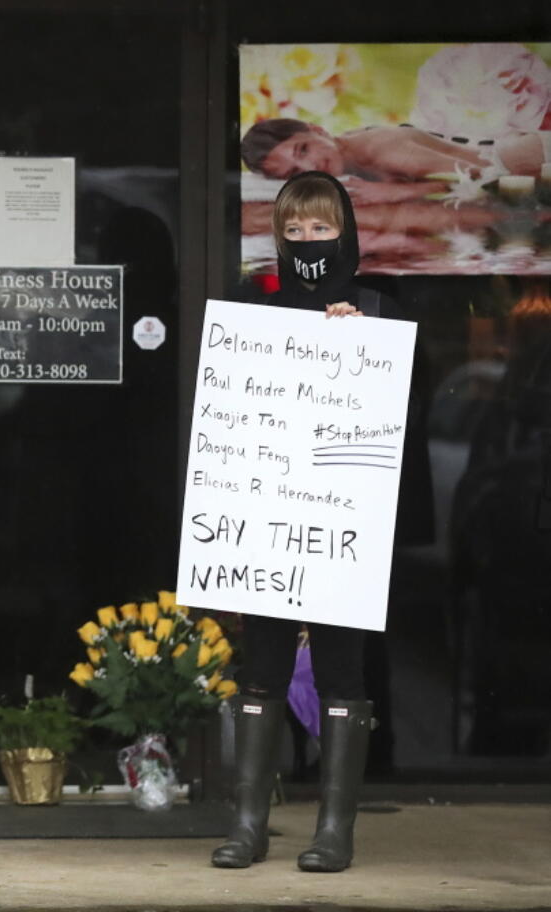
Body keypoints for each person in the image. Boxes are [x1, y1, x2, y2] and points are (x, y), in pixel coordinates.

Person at [212, 171, 385, 874]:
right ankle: (248, 825)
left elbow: (400, 418)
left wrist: (363, 343)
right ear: (278, 237)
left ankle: (334, 831)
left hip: (343, 527)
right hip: (268, 519)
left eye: (321, 227)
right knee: (262, 667)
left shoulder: (379, 306)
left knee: (343, 669)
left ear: (345, 230)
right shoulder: (252, 301)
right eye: (295, 230)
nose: (308, 241)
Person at [242, 117, 551, 194]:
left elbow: (483, 177)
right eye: (295, 174)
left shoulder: (385, 151)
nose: (311, 166)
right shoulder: (347, 148)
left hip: (531, 158)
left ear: (317, 129)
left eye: (303, 149)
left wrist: (388, 192)